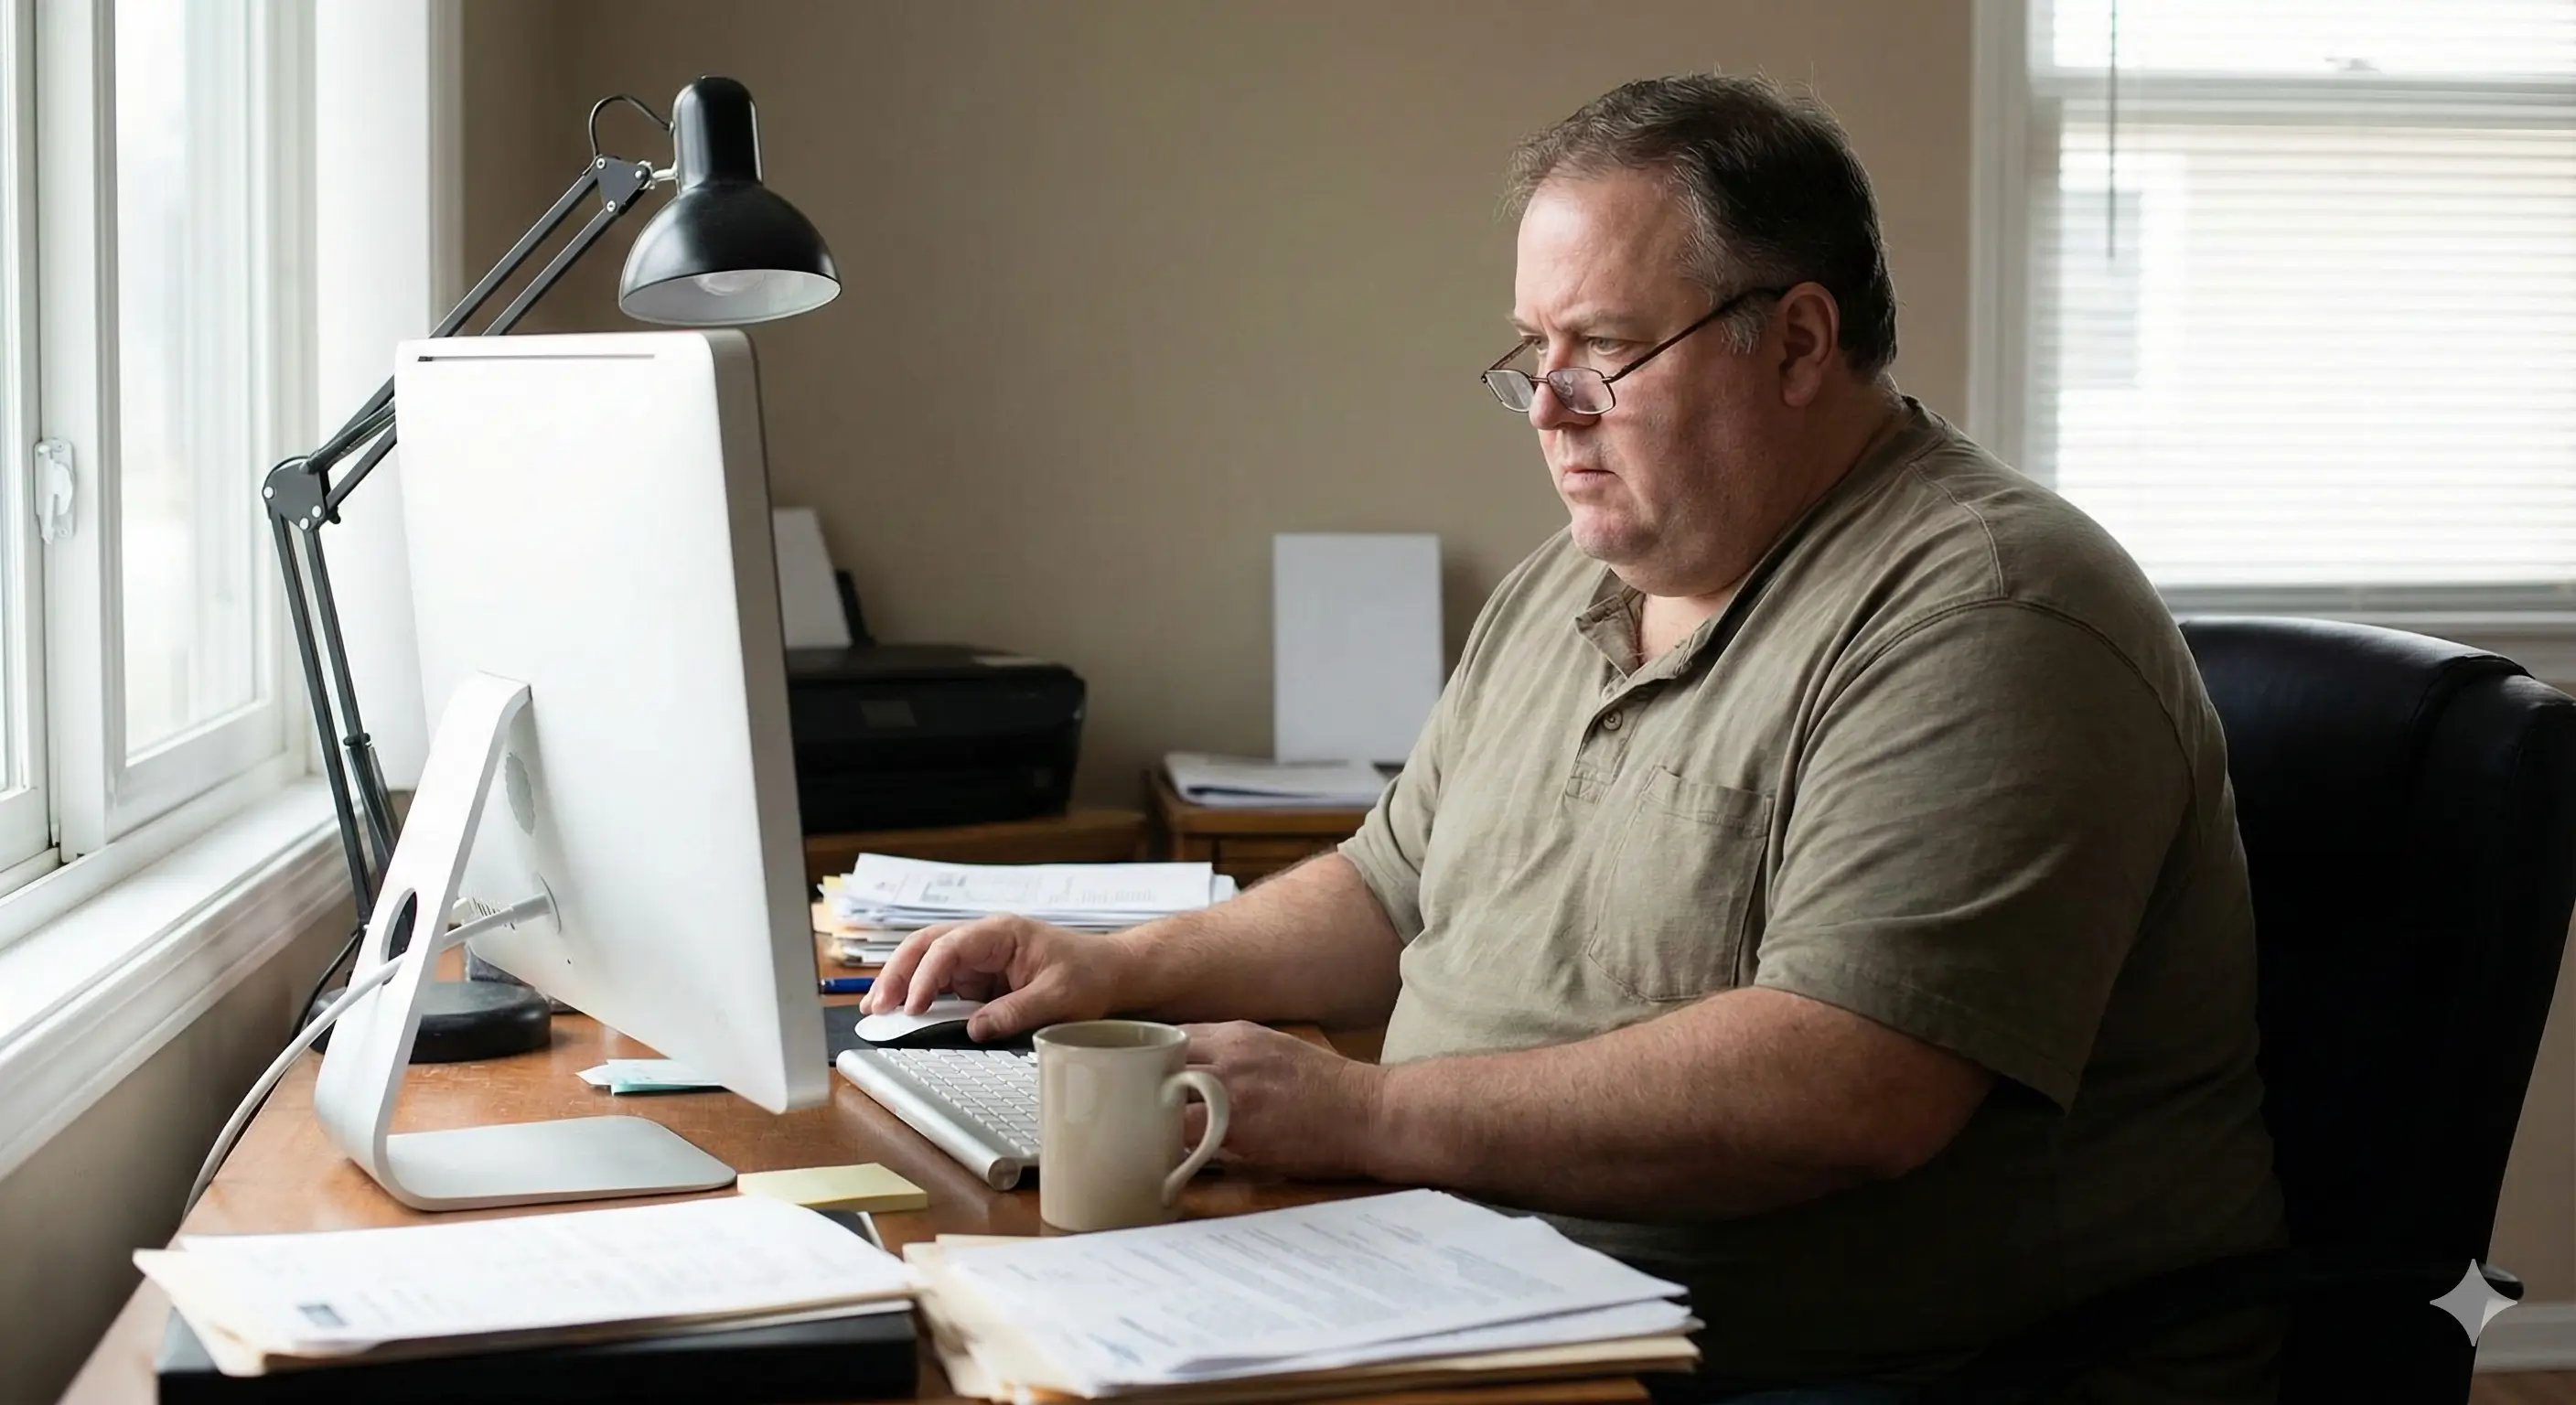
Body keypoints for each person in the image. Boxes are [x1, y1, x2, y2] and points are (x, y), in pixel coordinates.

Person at [864, 73, 2283, 1403]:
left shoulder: (1988, 609)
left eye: (1605, 349)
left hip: (1835, 1362)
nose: (1548, 409)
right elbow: (1388, 889)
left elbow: (1850, 1088)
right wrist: (1111, 967)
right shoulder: (1580, 577)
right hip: (1476, 1281)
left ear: (1797, 340)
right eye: (1534, 352)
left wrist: (1362, 1113)